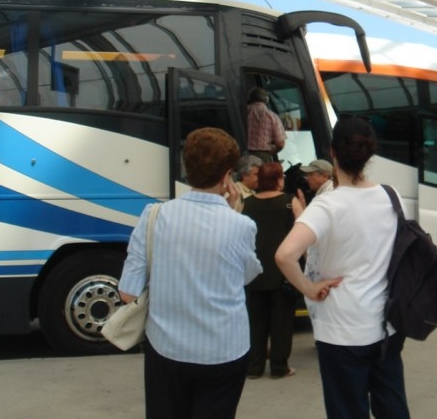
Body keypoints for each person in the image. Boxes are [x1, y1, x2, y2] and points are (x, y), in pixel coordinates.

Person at [118, 127, 263, 419]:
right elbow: (246, 276)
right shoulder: (240, 225)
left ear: (187, 168)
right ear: (227, 176)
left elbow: (128, 293)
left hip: (166, 348)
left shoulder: (154, 216)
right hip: (225, 350)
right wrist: (233, 212)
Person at [275, 116, 411, 418]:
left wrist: (309, 288)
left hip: (340, 330)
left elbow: (285, 255)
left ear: (332, 153)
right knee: (393, 406)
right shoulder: (391, 196)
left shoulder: (327, 205)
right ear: (369, 155)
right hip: (385, 325)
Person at [242, 162, 302, 379]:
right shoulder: (289, 202)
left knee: (255, 323)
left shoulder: (246, 204)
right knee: (282, 323)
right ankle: (279, 367)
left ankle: (254, 367)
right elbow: (302, 231)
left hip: (254, 273)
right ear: (278, 180)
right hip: (283, 273)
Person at [246, 87, 286, 163]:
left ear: (250, 98)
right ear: (266, 100)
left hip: (242, 153)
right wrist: (272, 151)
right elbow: (280, 144)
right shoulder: (272, 116)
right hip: (262, 156)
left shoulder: (242, 111)